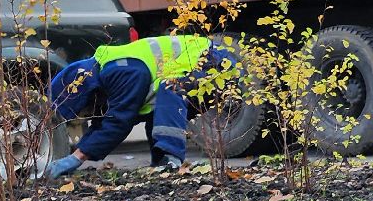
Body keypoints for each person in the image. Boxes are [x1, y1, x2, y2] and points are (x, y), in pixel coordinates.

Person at [46, 34, 239, 178]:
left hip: (213, 62)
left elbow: (118, 122)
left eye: (81, 111)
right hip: (204, 64)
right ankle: (162, 165)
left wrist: (77, 157)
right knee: (157, 111)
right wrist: (80, 152)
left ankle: (170, 162)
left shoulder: (121, 70)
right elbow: (106, 121)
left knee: (170, 87)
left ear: (85, 94)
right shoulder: (107, 72)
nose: (85, 116)